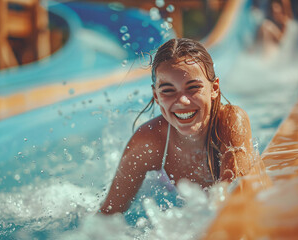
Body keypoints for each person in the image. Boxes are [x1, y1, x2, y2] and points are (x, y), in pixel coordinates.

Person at [100, 38, 254, 214]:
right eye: (168, 90)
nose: (182, 100)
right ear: (156, 95)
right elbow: (108, 215)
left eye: (193, 87)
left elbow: (236, 198)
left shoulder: (231, 121)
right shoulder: (149, 141)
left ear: (214, 88)